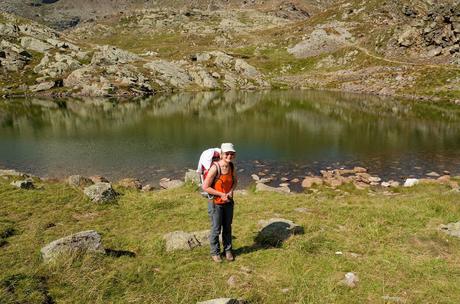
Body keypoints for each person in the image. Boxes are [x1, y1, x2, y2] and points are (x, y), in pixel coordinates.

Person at [202, 142, 238, 262]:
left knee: (227, 227)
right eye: (227, 153)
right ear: (222, 154)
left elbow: (235, 182)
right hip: (216, 203)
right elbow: (205, 187)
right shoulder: (215, 168)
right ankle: (215, 252)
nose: (229, 156)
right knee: (216, 229)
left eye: (232, 154)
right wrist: (221, 194)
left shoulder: (232, 167)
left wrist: (231, 191)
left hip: (228, 202)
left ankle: (228, 251)